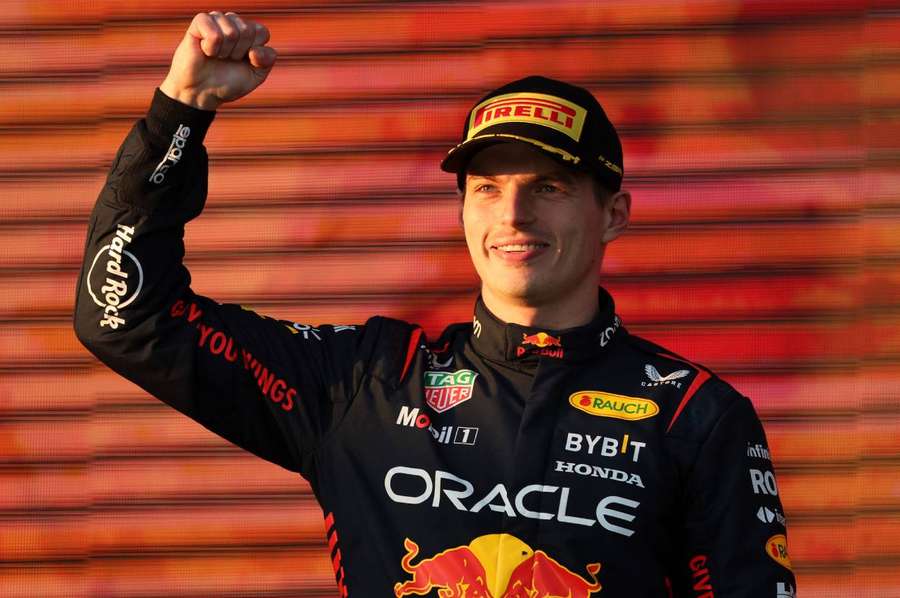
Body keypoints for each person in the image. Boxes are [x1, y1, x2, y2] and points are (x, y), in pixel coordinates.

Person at [74, 10, 797, 598]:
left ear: (613, 214)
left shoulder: (695, 416)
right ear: (461, 212)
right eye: (487, 188)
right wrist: (182, 112)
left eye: (548, 186)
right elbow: (127, 317)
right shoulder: (362, 382)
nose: (513, 216)